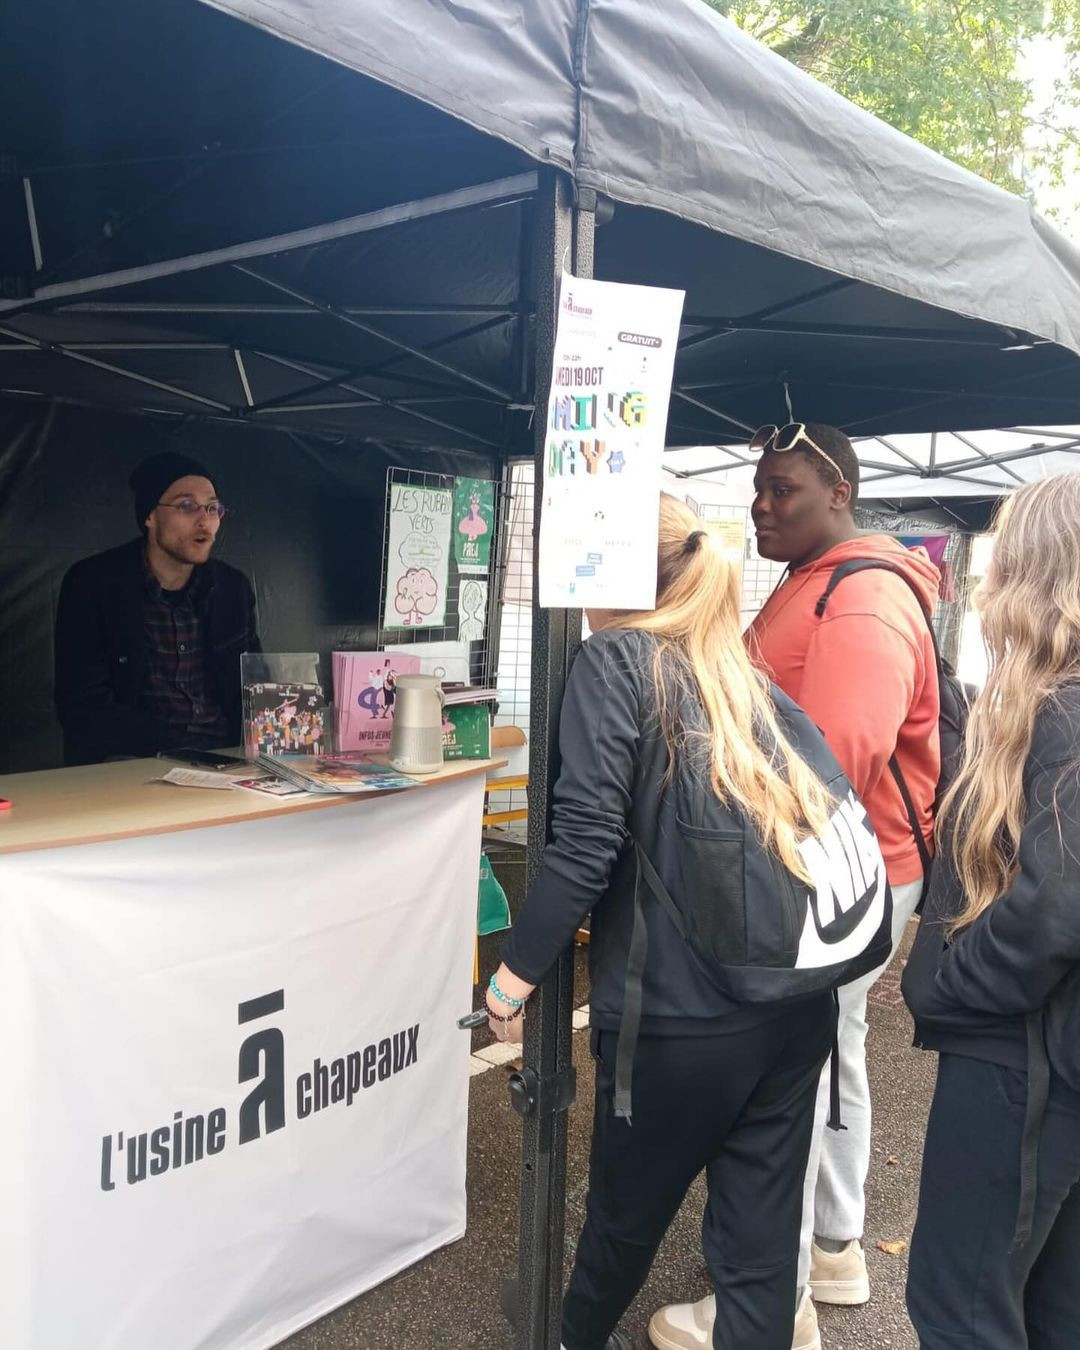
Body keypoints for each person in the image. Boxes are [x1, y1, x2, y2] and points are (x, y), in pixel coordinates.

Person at [487, 494, 888, 1350]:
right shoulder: (730, 667)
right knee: (757, 1253)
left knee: (619, 1230)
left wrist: (511, 977)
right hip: (792, 1005)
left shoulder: (616, 661)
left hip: (679, 1019)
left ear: (613, 565)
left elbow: (584, 846)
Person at [650, 424, 940, 1350]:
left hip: (823, 871)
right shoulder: (822, 580)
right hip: (847, 872)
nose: (761, 506)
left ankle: (770, 1305)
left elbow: (836, 761)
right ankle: (829, 1249)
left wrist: (733, 837)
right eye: (758, 488)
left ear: (840, 493)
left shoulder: (857, 598)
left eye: (783, 490)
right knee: (826, 1056)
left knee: (790, 1078)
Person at [902, 473, 1080, 1349]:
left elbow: (1054, 910)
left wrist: (947, 981)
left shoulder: (1063, 715)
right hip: (1052, 1064)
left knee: (961, 1306)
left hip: (1022, 1066)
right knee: (1049, 1312)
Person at [54, 451, 259, 765]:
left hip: (227, 758)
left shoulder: (233, 588)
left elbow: (255, 685)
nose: (204, 521)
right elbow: (83, 704)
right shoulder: (94, 583)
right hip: (131, 759)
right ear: (149, 516)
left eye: (212, 508)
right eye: (186, 506)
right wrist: (176, 749)